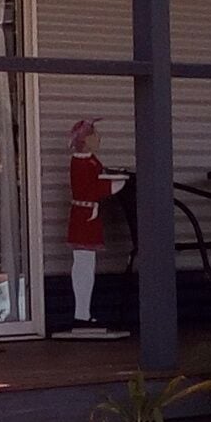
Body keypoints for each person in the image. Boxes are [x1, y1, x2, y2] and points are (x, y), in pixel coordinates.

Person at [66, 117, 118, 333]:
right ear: (85, 140)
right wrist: (114, 184)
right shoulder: (80, 163)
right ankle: (81, 313)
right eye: (94, 135)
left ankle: (84, 312)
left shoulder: (92, 161)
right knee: (83, 264)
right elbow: (91, 188)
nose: (98, 139)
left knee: (88, 265)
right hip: (83, 217)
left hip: (90, 216)